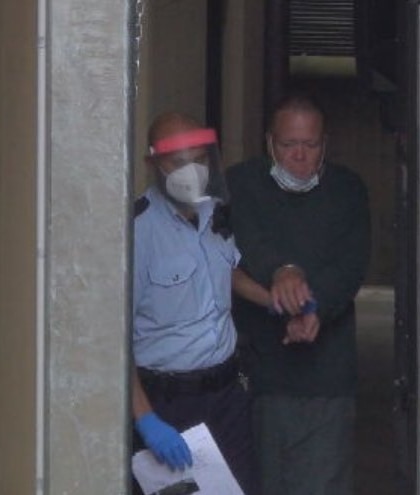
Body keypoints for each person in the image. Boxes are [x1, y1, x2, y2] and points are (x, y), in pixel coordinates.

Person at [227, 94, 371, 495]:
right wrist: (282, 271)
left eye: (310, 145)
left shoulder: (347, 190)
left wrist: (314, 307)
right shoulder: (239, 185)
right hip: (256, 373)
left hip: (327, 377)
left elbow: (350, 265)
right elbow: (235, 250)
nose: (300, 156)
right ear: (269, 143)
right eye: (290, 145)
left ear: (325, 145)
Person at [132, 112, 270, 494]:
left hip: (225, 397)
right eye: (177, 163)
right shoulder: (138, 233)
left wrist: (272, 300)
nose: (190, 171)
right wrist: (146, 419)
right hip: (167, 404)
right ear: (153, 164)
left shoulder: (213, 211)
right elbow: (112, 339)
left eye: (199, 159)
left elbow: (227, 270)